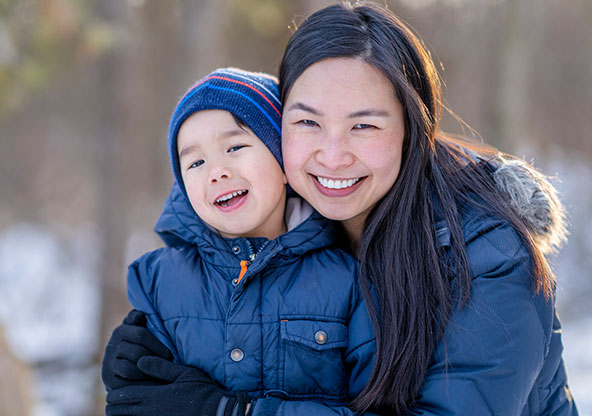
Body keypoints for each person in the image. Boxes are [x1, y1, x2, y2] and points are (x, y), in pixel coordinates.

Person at [102, 3, 578, 415]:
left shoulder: (489, 256)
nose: (332, 156)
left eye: (364, 127)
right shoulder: (292, 232)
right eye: (308, 121)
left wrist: (230, 411)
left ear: (413, 128)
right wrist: (158, 341)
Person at [101, 67, 375, 416]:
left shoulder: (348, 280)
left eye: (235, 147)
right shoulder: (159, 281)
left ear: (283, 159)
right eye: (196, 162)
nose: (217, 171)